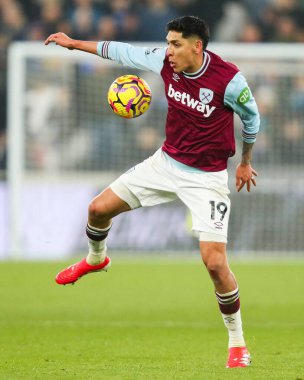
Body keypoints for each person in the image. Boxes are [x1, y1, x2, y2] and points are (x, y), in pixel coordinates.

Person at [45, 15, 259, 368]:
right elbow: (120, 51)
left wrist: (246, 161)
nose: (169, 51)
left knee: (215, 263)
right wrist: (74, 42)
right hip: (164, 164)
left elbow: (252, 119)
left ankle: (237, 343)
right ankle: (97, 259)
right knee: (97, 210)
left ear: (196, 46)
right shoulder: (163, 61)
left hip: (206, 178)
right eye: (168, 43)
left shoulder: (230, 81)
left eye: (176, 44)